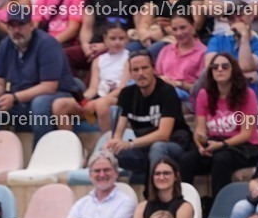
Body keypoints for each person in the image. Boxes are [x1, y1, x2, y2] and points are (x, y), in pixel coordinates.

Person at [0, 4, 81, 144]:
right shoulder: (6, 45)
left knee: (40, 103)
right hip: (21, 102)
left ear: (31, 25)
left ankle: (41, 157)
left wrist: (15, 97)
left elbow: (49, 87)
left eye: (21, 25)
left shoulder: (47, 44)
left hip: (55, 97)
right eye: (11, 26)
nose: (16, 30)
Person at [179, 53, 258, 206]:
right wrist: (201, 145)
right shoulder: (204, 95)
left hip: (244, 148)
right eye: (215, 67)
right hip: (215, 144)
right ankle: (185, 207)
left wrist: (222, 145)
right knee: (186, 161)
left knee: (221, 160)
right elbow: (200, 129)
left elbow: (247, 133)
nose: (219, 70)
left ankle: (220, 208)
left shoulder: (248, 95)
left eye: (225, 66)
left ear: (233, 70)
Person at [107, 50, 191, 185]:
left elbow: (164, 135)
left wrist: (130, 144)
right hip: (143, 148)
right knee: (109, 153)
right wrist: (114, 143)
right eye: (135, 70)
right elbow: (118, 131)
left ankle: (156, 194)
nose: (140, 73)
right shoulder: (126, 94)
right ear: (131, 73)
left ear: (154, 69)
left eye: (144, 68)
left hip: (173, 146)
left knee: (157, 148)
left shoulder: (167, 92)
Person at [52, 22, 129, 133]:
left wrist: (101, 101)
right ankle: (69, 143)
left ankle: (107, 144)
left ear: (127, 39)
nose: (117, 42)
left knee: (102, 104)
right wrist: (83, 101)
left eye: (121, 38)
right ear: (105, 39)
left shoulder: (129, 58)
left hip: (118, 99)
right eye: (112, 38)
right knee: (60, 104)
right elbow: (93, 89)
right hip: (99, 99)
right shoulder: (99, 60)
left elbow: (123, 87)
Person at [125, 157, 195, 218]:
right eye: (157, 174)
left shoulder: (184, 208)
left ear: (176, 176)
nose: (161, 177)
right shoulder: (142, 206)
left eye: (166, 173)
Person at [78, 0, 148, 58]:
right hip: (95, 43)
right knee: (65, 55)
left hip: (122, 43)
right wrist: (86, 46)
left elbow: (138, 28)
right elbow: (87, 26)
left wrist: (107, 45)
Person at [32, 0, 88, 74]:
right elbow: (35, 25)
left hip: (64, 43)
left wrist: (48, 44)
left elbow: (73, 29)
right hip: (44, 40)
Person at [153, 13, 206, 108]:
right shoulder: (166, 50)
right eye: (175, 29)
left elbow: (201, 88)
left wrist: (179, 84)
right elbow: (157, 75)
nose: (179, 33)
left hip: (187, 98)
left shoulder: (204, 53)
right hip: (162, 91)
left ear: (193, 26)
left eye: (183, 28)